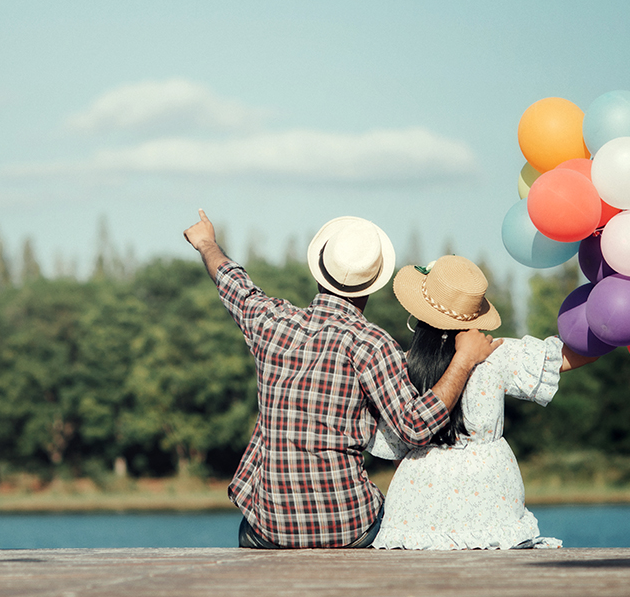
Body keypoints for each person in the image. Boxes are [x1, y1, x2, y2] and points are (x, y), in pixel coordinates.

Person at [183, 209, 502, 549]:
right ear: (370, 286)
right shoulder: (372, 344)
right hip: (349, 528)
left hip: (271, 528)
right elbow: (415, 426)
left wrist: (206, 242)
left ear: (320, 272)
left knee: (248, 526)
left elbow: (234, 283)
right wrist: (465, 359)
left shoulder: (270, 321)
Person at [368, 254, 598, 550]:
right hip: (490, 496)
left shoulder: (403, 365)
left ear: (420, 315)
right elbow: (571, 355)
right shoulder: (496, 354)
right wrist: (615, 322)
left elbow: (394, 444)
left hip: (415, 505)